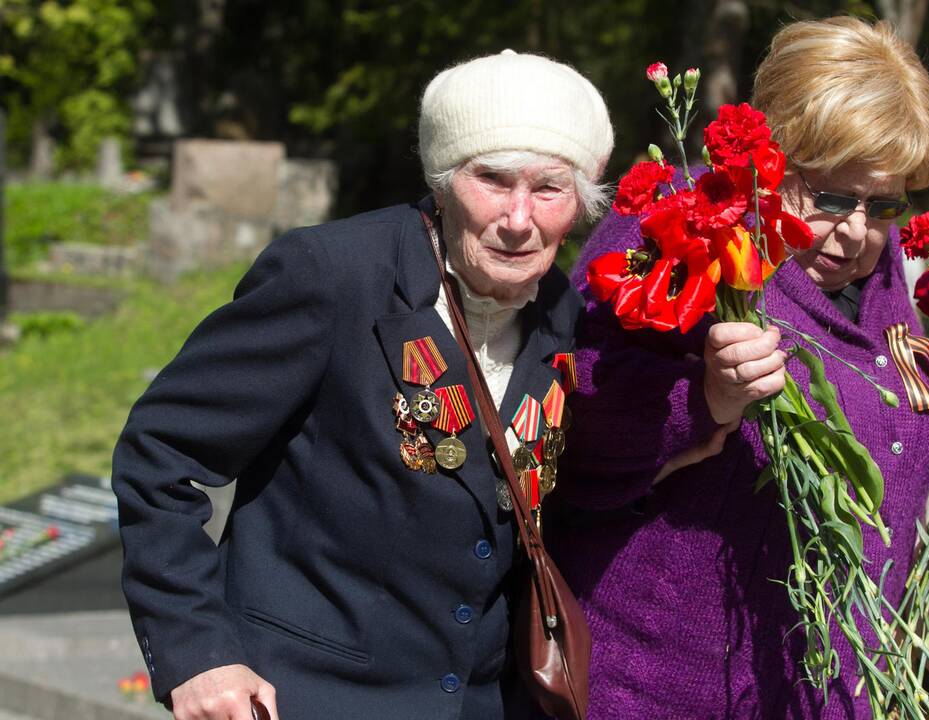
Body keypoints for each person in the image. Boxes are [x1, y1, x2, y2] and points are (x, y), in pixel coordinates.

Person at [112, 49, 613, 720]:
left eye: (549, 188)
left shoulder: (564, 315)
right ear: (443, 179)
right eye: (492, 179)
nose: (518, 218)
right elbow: (159, 455)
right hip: (304, 696)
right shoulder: (333, 274)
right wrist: (197, 653)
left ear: (580, 203)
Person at [547, 17, 929, 719]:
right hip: (660, 688)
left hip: (830, 692)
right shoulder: (684, 220)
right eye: (829, 196)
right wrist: (703, 399)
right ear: (774, 158)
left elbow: (890, 413)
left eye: (883, 204)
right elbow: (571, 426)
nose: (857, 229)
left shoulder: (884, 272)